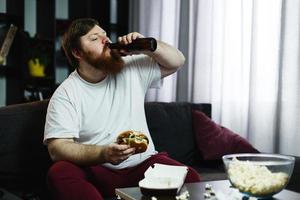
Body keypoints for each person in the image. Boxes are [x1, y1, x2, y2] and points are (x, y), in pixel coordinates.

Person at [44, 18, 200, 200]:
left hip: (143, 166)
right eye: (95, 38)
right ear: (77, 52)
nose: (106, 41)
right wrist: (103, 153)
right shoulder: (66, 93)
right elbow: (57, 148)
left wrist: (148, 46)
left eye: (105, 35)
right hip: (97, 168)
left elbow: (177, 61)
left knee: (191, 178)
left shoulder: (130, 67)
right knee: (59, 172)